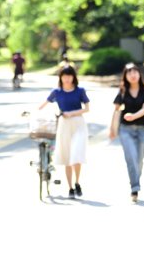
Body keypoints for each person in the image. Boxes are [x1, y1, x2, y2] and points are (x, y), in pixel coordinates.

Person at [38, 64, 89, 199]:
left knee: (76, 154)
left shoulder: (80, 91)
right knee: (67, 156)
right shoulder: (57, 92)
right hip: (64, 125)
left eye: (69, 76)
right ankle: (70, 187)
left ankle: (77, 182)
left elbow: (87, 108)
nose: (67, 79)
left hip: (78, 123)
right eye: (64, 76)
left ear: (73, 77)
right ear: (60, 77)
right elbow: (43, 105)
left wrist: (72, 113)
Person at [109, 62, 144, 203]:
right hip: (125, 130)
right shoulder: (123, 91)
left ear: (139, 74)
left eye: (135, 72)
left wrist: (133, 116)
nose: (133, 75)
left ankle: (135, 180)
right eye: (129, 73)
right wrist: (112, 129)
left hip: (141, 129)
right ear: (126, 76)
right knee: (131, 157)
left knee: (139, 160)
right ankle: (134, 188)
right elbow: (116, 110)